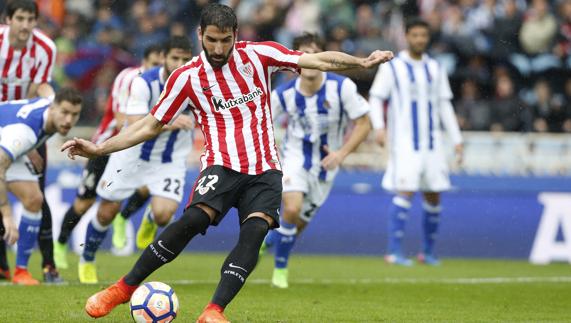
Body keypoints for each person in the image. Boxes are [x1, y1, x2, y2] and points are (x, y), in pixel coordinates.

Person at [61, 4, 392, 322]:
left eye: (225, 40)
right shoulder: (186, 77)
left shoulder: (258, 55)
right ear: (200, 34)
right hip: (221, 165)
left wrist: (361, 63)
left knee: (255, 231)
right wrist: (100, 149)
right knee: (191, 221)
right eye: (211, 40)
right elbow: (149, 124)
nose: (219, 48)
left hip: (265, 168)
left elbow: (316, 60)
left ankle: (214, 310)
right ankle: (123, 288)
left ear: (236, 34)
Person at [76, 36, 193, 284]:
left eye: (185, 59)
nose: (180, 63)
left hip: (169, 160)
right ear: (164, 58)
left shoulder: (199, 82)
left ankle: (150, 219)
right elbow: (135, 123)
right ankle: (87, 259)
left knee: (164, 215)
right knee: (107, 213)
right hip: (132, 155)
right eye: (175, 58)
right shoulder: (143, 83)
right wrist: (171, 123)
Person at [261, 32, 372, 288]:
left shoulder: (341, 87)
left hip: (325, 167)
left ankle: (269, 242)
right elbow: (262, 123)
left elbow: (365, 123)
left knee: (296, 224)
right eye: (303, 54)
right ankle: (280, 272)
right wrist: (272, 153)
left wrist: (341, 153)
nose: (309, 59)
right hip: (294, 158)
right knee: (290, 208)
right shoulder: (283, 94)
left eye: (314, 52)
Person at [53, 44, 164, 270]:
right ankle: (60, 244)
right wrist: (167, 123)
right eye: (154, 64)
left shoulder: (169, 84)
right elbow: (126, 119)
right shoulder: (130, 79)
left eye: (161, 65)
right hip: (106, 146)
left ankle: (124, 217)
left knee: (147, 188)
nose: (158, 69)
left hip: (137, 147)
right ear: (144, 62)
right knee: (84, 204)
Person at [368, 18, 463, 266]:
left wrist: (457, 139)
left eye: (423, 35)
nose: (420, 39)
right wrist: (379, 127)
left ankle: (428, 253)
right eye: (415, 35)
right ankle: (393, 251)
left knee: (434, 195)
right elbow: (376, 97)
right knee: (406, 190)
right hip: (405, 143)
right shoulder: (393, 67)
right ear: (407, 37)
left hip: (433, 144)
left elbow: (444, 105)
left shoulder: (436, 67)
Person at [0, 0, 59, 283]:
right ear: (7, 19)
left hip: (28, 126)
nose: (25, 25)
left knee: (37, 196)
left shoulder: (45, 48)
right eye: (19, 18)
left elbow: (38, 91)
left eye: (30, 19)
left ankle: (48, 265)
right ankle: (4, 265)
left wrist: (33, 143)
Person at [0, 88, 82, 285]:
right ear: (52, 108)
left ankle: (21, 272)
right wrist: (7, 215)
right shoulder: (24, 134)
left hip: (7, 138)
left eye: (75, 114)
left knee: (34, 199)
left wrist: (29, 149)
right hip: (5, 146)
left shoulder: (53, 103)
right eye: (64, 113)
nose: (69, 120)